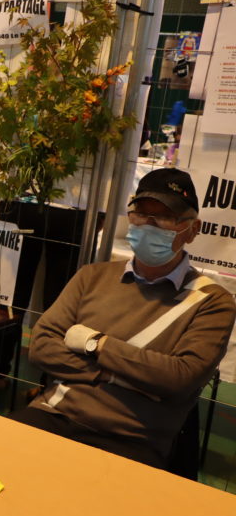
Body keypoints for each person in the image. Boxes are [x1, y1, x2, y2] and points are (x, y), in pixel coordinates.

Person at [12, 168, 236, 469]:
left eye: (164, 217)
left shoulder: (212, 302)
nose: (149, 225)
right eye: (141, 213)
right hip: (53, 415)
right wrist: (119, 375)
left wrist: (95, 344)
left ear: (192, 229)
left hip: (131, 439)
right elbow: (42, 346)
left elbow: (179, 378)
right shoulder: (92, 276)